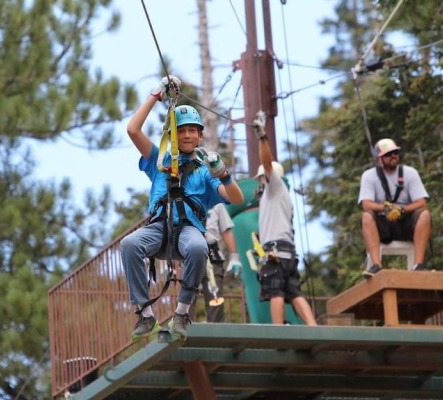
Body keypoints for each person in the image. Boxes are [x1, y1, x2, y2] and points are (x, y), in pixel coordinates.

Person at [120, 75, 244, 341]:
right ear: (172, 134)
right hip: (158, 229)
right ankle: (145, 313)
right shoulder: (159, 161)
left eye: (192, 131)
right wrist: (155, 95)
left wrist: (223, 174)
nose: (187, 135)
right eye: (181, 130)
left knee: (200, 247)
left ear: (199, 136)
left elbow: (236, 198)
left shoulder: (205, 171)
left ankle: (182, 311)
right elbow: (132, 130)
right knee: (129, 244)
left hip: (188, 233)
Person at [253, 118, 317, 326]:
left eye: (260, 179)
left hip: (276, 252)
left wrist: (262, 138)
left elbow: (267, 163)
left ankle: (278, 330)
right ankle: (313, 328)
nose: (259, 183)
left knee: (275, 290)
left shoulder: (275, 188)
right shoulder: (279, 198)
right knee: (294, 291)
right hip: (287, 251)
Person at [358, 138, 431, 278]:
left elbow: (421, 202)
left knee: (425, 214)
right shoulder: (369, 176)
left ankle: (419, 265)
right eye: (389, 154)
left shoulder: (410, 173)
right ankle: (376, 265)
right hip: (383, 226)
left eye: (395, 152)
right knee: (366, 216)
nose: (393, 156)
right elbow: (366, 204)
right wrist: (385, 209)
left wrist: (402, 210)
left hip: (405, 223)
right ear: (379, 159)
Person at [189, 203, 242, 323]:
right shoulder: (181, 200)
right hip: (189, 257)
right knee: (186, 300)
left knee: (215, 300)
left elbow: (226, 231)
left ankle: (216, 331)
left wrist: (235, 257)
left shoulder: (216, 204)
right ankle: (185, 332)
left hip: (212, 257)